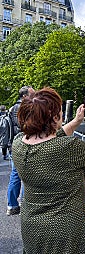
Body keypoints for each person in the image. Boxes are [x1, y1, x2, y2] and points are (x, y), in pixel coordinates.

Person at [12, 87, 85, 253]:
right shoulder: (68, 147)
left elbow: (50, 138)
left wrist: (77, 121)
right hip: (66, 231)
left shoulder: (18, 144)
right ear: (55, 117)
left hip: (32, 227)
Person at [6, 86, 35, 215]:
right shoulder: (25, 108)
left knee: (15, 175)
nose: (35, 97)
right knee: (27, 175)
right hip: (24, 145)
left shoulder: (12, 108)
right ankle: (25, 203)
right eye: (32, 95)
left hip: (14, 145)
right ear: (24, 96)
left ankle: (12, 205)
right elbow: (27, 127)